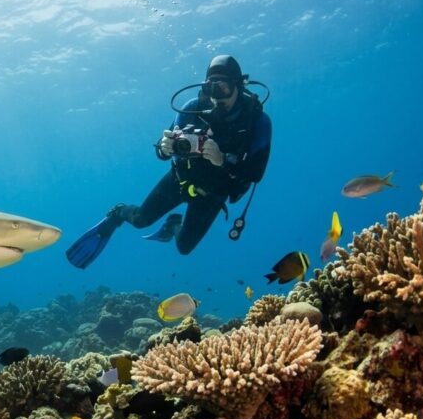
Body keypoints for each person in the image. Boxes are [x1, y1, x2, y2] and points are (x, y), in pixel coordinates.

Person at [66, 55, 271, 267]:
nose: (217, 97)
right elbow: (163, 150)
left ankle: (174, 225)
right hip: (180, 179)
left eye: (224, 88)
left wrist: (222, 161)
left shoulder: (257, 120)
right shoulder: (192, 108)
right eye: (211, 88)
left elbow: (256, 174)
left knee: (184, 248)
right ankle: (118, 213)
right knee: (139, 221)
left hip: (213, 193)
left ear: (238, 84)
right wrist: (164, 149)